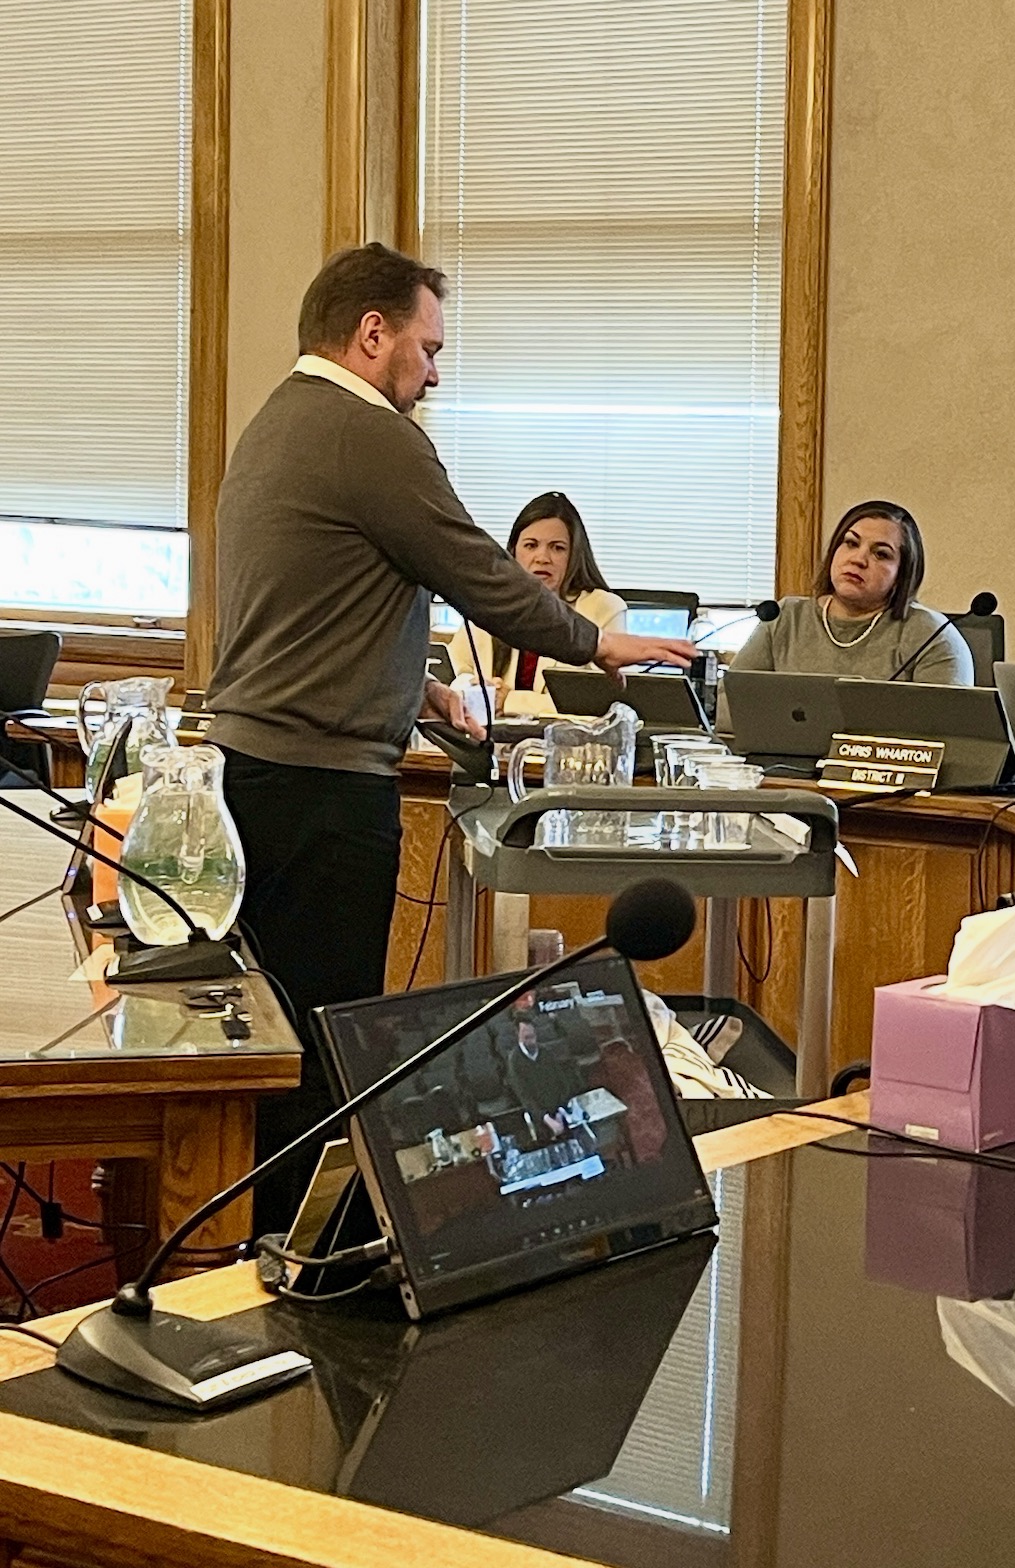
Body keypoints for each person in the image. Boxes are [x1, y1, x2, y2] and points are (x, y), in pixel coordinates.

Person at [208, 243, 692, 1225]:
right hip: (322, 792)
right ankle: (295, 1265)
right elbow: (480, 569)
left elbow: (324, 598)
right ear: (371, 332)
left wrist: (421, 692)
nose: (436, 371)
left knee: (283, 1035)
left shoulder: (278, 419)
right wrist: (598, 642)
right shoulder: (368, 431)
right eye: (428, 347)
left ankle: (268, 1247)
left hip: (263, 773)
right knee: (323, 1055)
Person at [731, 500, 971, 685]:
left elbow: (947, 735)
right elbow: (731, 706)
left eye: (881, 554)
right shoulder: (783, 617)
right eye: (851, 543)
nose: (858, 559)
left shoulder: (931, 636)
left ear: (902, 575)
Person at [449, 492, 630, 714]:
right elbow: (454, 675)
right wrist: (477, 689)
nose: (543, 557)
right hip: (494, 741)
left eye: (557, 548)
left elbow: (599, 702)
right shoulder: (492, 602)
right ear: (514, 552)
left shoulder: (603, 608)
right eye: (531, 545)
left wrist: (509, 701)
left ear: (574, 556)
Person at [501, 1016, 588, 1143]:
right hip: (538, 1116)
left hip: (559, 1110)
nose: (531, 1041)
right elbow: (525, 1097)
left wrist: (559, 1112)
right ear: (518, 1035)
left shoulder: (546, 1053)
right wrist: (547, 1119)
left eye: (533, 1037)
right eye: (527, 1037)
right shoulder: (514, 1061)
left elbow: (562, 1082)